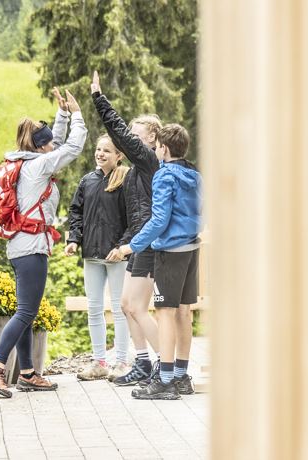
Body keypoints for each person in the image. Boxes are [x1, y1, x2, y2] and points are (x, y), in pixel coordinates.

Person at [0, 88, 87, 398]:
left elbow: (58, 143)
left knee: (26, 310)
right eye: (50, 142)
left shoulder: (29, 163)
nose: (54, 146)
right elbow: (72, 147)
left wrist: (62, 114)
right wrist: (77, 114)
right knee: (26, 311)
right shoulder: (39, 166)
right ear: (42, 147)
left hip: (20, 246)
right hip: (31, 249)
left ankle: (27, 373)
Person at [90, 71, 164, 386]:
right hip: (137, 242)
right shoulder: (135, 169)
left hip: (149, 243)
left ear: (152, 139)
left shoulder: (147, 161)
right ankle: (144, 364)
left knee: (136, 306)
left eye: (136, 133)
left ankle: (168, 365)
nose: (129, 137)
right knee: (125, 304)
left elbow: (119, 134)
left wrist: (98, 97)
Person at [117, 123, 201, 400]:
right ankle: (181, 376)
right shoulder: (194, 174)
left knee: (165, 312)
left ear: (163, 148)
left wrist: (132, 246)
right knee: (184, 312)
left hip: (170, 253)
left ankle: (164, 380)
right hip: (191, 248)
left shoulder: (164, 176)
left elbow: (159, 220)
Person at [64, 134, 131, 380]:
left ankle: (122, 361)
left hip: (117, 255)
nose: (100, 153)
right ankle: (100, 361)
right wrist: (74, 239)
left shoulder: (126, 180)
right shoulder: (87, 181)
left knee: (119, 308)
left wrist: (123, 246)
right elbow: (76, 212)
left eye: (107, 151)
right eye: (98, 149)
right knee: (94, 307)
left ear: (119, 156)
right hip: (91, 254)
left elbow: (134, 219)